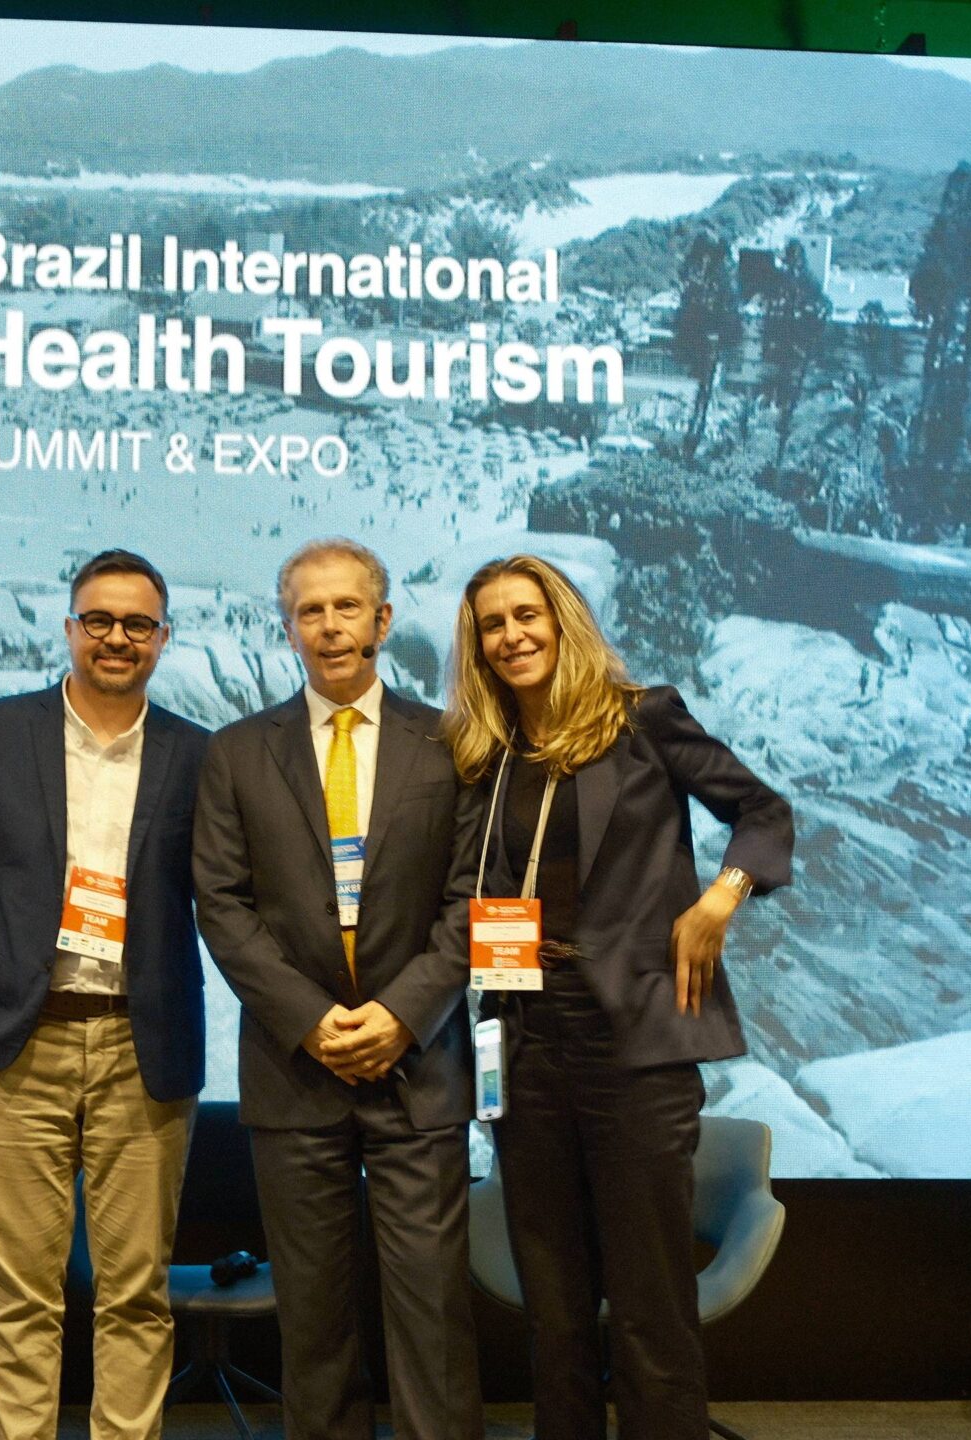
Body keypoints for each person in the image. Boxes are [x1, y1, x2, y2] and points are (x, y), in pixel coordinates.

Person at [442, 555, 792, 1440]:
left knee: (648, 1302)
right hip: (522, 1034)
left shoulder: (644, 719)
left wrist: (720, 899)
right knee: (554, 1307)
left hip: (632, 1038)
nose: (512, 635)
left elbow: (762, 811)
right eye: (492, 624)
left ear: (562, 620)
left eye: (527, 615)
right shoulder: (484, 754)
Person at [193, 537, 482, 1440]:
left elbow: (473, 898)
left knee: (433, 1315)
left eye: (346, 606)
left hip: (419, 1065)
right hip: (295, 1070)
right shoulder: (237, 752)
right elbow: (222, 905)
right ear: (287, 627)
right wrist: (313, 1021)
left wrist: (402, 1015)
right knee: (313, 1321)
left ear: (382, 619)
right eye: (308, 610)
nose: (328, 625)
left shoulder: (451, 744)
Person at [0, 550, 212, 1440]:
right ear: (69, 628)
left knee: (136, 1291)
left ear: (163, 639)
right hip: (21, 1043)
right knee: (22, 1290)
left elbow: (223, 897)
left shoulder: (197, 753)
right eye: (98, 620)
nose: (116, 638)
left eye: (137, 624)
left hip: (145, 1046)